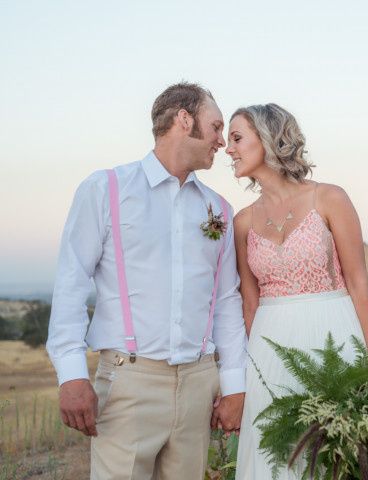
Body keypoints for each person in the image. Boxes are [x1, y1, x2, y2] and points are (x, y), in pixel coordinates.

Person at [46, 82, 247, 479]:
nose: (222, 142)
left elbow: (226, 302)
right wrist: (71, 373)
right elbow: (71, 282)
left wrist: (234, 383)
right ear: (184, 120)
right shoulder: (106, 189)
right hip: (128, 384)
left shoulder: (218, 209)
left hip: (198, 386)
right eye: (216, 127)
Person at [226, 103, 368, 479]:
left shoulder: (329, 198)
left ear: (267, 139)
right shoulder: (242, 222)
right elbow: (249, 303)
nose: (228, 149)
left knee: (336, 454)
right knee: (276, 457)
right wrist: (252, 374)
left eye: (236, 138)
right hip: (269, 351)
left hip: (333, 338)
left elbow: (359, 285)